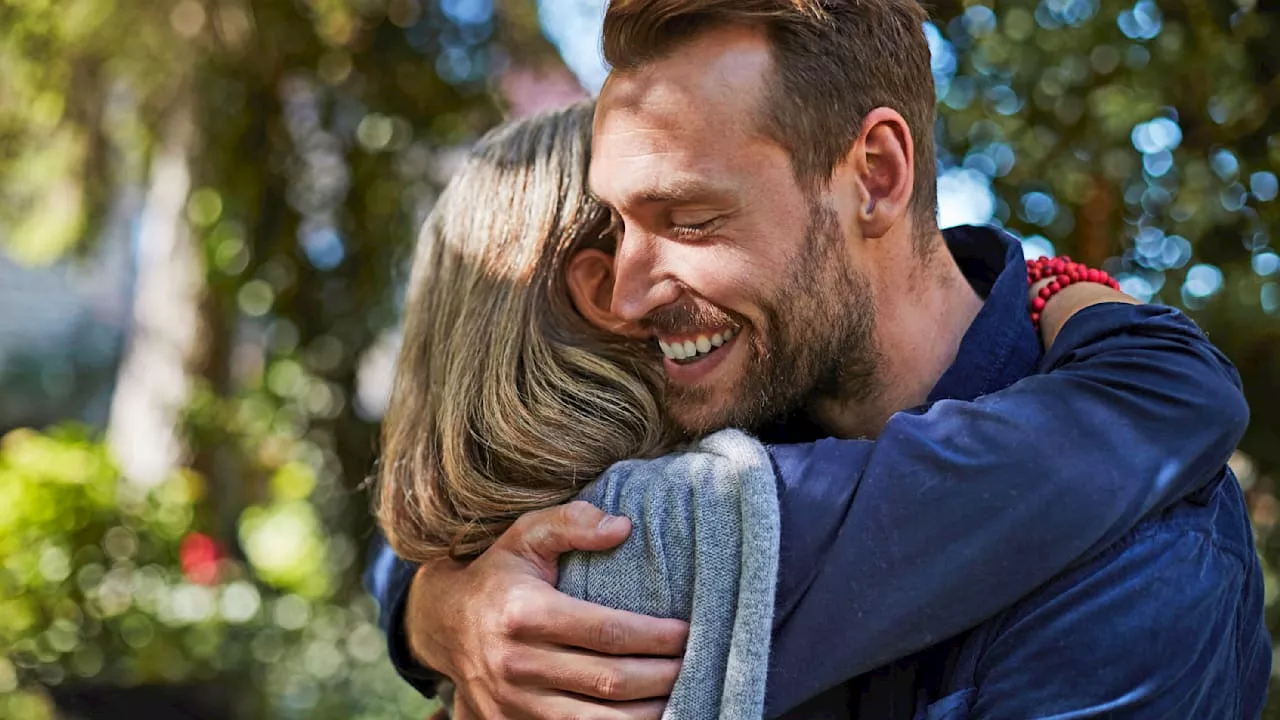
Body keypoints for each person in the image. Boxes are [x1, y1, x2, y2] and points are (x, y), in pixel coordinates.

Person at [367, 96, 1264, 719]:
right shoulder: (671, 520)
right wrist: (1076, 297)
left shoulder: (503, 548)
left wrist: (431, 602)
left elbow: (392, 557)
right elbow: (1150, 403)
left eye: (688, 217)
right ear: (592, 290)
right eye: (631, 234)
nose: (647, 286)